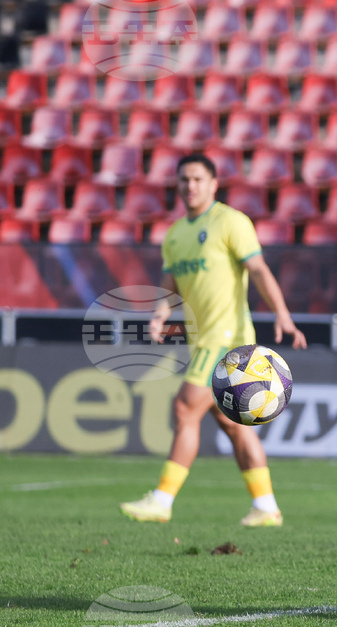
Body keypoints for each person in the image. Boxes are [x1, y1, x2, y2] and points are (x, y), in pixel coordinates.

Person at [120, 154, 306, 527]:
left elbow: (257, 268)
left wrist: (282, 313)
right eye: (183, 180)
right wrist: (160, 314)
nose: (189, 186)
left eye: (197, 179)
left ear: (212, 184)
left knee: (185, 408)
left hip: (228, 339)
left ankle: (162, 500)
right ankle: (266, 506)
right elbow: (170, 284)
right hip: (200, 339)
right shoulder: (174, 235)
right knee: (234, 425)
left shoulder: (230, 222)